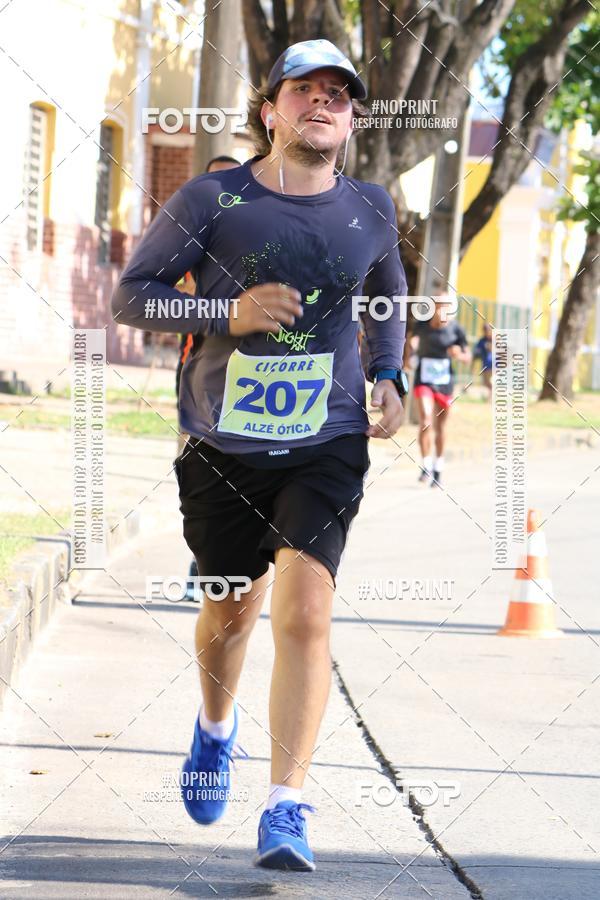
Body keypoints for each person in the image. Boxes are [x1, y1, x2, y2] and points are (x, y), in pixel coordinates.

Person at [112, 38, 408, 872]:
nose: (323, 103)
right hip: (222, 443)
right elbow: (132, 295)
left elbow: (386, 295)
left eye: (339, 95)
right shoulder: (213, 198)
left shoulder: (372, 207)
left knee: (305, 611)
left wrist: (390, 376)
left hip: (327, 440)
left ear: (350, 119)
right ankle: (214, 729)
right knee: (231, 612)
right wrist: (227, 311)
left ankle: (287, 806)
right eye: (304, 90)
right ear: (270, 109)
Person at [173, 156, 242, 600]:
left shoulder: (253, 233)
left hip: (250, 371)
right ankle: (203, 560)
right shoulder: (187, 234)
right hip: (196, 369)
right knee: (194, 462)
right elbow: (161, 292)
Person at [409, 299, 471, 487]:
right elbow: (410, 340)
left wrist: (458, 355)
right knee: (426, 419)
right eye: (439, 305)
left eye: (447, 306)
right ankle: (426, 465)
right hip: (424, 380)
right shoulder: (422, 326)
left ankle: (438, 467)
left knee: (441, 427)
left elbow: (468, 357)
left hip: (445, 384)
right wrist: (409, 353)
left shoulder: (456, 330)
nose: (443, 310)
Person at [471, 322, 494, 400]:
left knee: (491, 382)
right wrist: (473, 366)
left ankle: (490, 398)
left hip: (495, 365)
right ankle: (491, 396)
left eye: (488, 330)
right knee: (485, 382)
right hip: (485, 365)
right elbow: (476, 353)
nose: (486, 332)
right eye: (485, 330)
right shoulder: (482, 341)